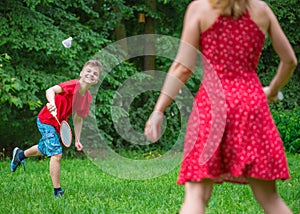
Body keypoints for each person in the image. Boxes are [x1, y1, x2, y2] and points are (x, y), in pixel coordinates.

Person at [144, 0, 297, 213]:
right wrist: (272, 90)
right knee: (270, 198)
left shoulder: (200, 8)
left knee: (196, 195)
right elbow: (289, 60)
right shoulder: (261, 10)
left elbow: (182, 68)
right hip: (251, 104)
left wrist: (158, 109)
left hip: (211, 105)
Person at [11, 59, 102, 197]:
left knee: (44, 148)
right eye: (88, 71)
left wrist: (77, 139)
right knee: (56, 153)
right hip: (46, 119)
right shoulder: (73, 85)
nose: (91, 74)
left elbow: (78, 118)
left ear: (96, 80)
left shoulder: (87, 98)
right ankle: (57, 191)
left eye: (95, 74)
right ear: (81, 73)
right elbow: (50, 90)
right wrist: (51, 103)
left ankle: (20, 155)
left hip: (58, 125)